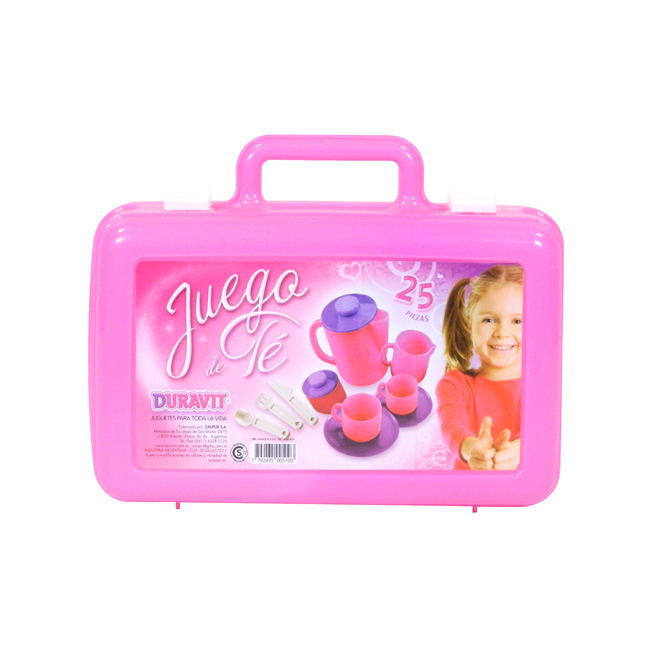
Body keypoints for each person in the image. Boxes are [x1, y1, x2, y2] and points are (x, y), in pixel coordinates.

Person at [435, 265, 523, 470]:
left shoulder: (543, 387)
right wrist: (472, 449)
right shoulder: (454, 384)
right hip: (463, 488)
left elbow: (539, 433)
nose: (502, 332)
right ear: (469, 326)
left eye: (517, 321)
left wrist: (514, 452)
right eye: (489, 320)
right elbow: (452, 428)